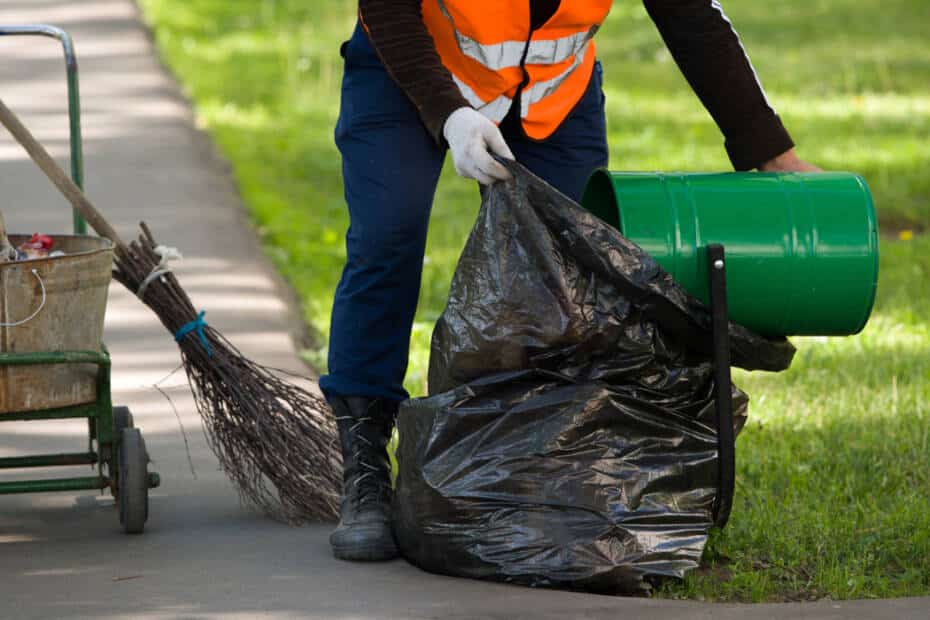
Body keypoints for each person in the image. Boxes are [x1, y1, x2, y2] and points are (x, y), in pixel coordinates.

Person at [320, 0, 819, 562]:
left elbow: (691, 16)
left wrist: (773, 154)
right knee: (388, 235)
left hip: (552, 97)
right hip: (406, 66)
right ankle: (364, 468)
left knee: (568, 280)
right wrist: (450, 114)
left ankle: (523, 481)